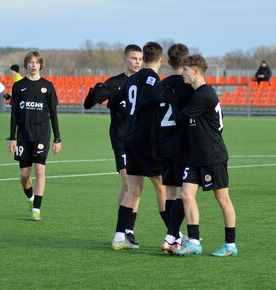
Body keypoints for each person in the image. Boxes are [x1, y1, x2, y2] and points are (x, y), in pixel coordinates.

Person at [171, 54, 237, 257]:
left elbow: (180, 118)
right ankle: (193, 242)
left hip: (213, 155)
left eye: (185, 70)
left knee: (222, 198)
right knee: (186, 195)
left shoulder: (204, 94)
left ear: (196, 71)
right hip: (195, 156)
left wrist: (169, 97)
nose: (182, 73)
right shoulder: (197, 94)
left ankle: (230, 245)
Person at [83, 44, 143, 247]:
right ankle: (124, 230)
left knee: (136, 187)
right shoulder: (114, 82)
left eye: (140, 59)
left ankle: (129, 230)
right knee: (128, 184)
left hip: (140, 141)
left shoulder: (145, 82)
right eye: (134, 58)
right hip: (121, 140)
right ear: (125, 59)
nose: (137, 62)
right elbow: (88, 104)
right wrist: (95, 93)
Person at [108, 41, 166, 250]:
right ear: (161, 60)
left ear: (145, 58)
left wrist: (128, 113)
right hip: (144, 141)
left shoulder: (132, 80)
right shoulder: (152, 78)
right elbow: (155, 102)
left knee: (134, 189)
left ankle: (119, 236)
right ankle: (174, 235)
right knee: (161, 187)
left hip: (129, 139)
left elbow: (113, 101)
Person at [9, 51, 62, 221]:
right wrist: (12, 137)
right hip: (23, 135)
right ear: (26, 65)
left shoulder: (48, 86)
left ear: (40, 65)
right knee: (25, 175)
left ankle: (37, 209)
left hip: (42, 134)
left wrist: (57, 139)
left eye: (36, 62)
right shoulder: (18, 86)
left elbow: (53, 113)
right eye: (30, 62)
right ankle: (30, 199)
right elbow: (14, 114)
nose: (33, 65)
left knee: (39, 169)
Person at [153, 43, 194, 254]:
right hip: (181, 145)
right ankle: (172, 237)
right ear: (187, 61)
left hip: (162, 143)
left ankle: (174, 238)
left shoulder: (161, 84)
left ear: (168, 62)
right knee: (181, 193)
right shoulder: (188, 85)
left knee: (169, 192)